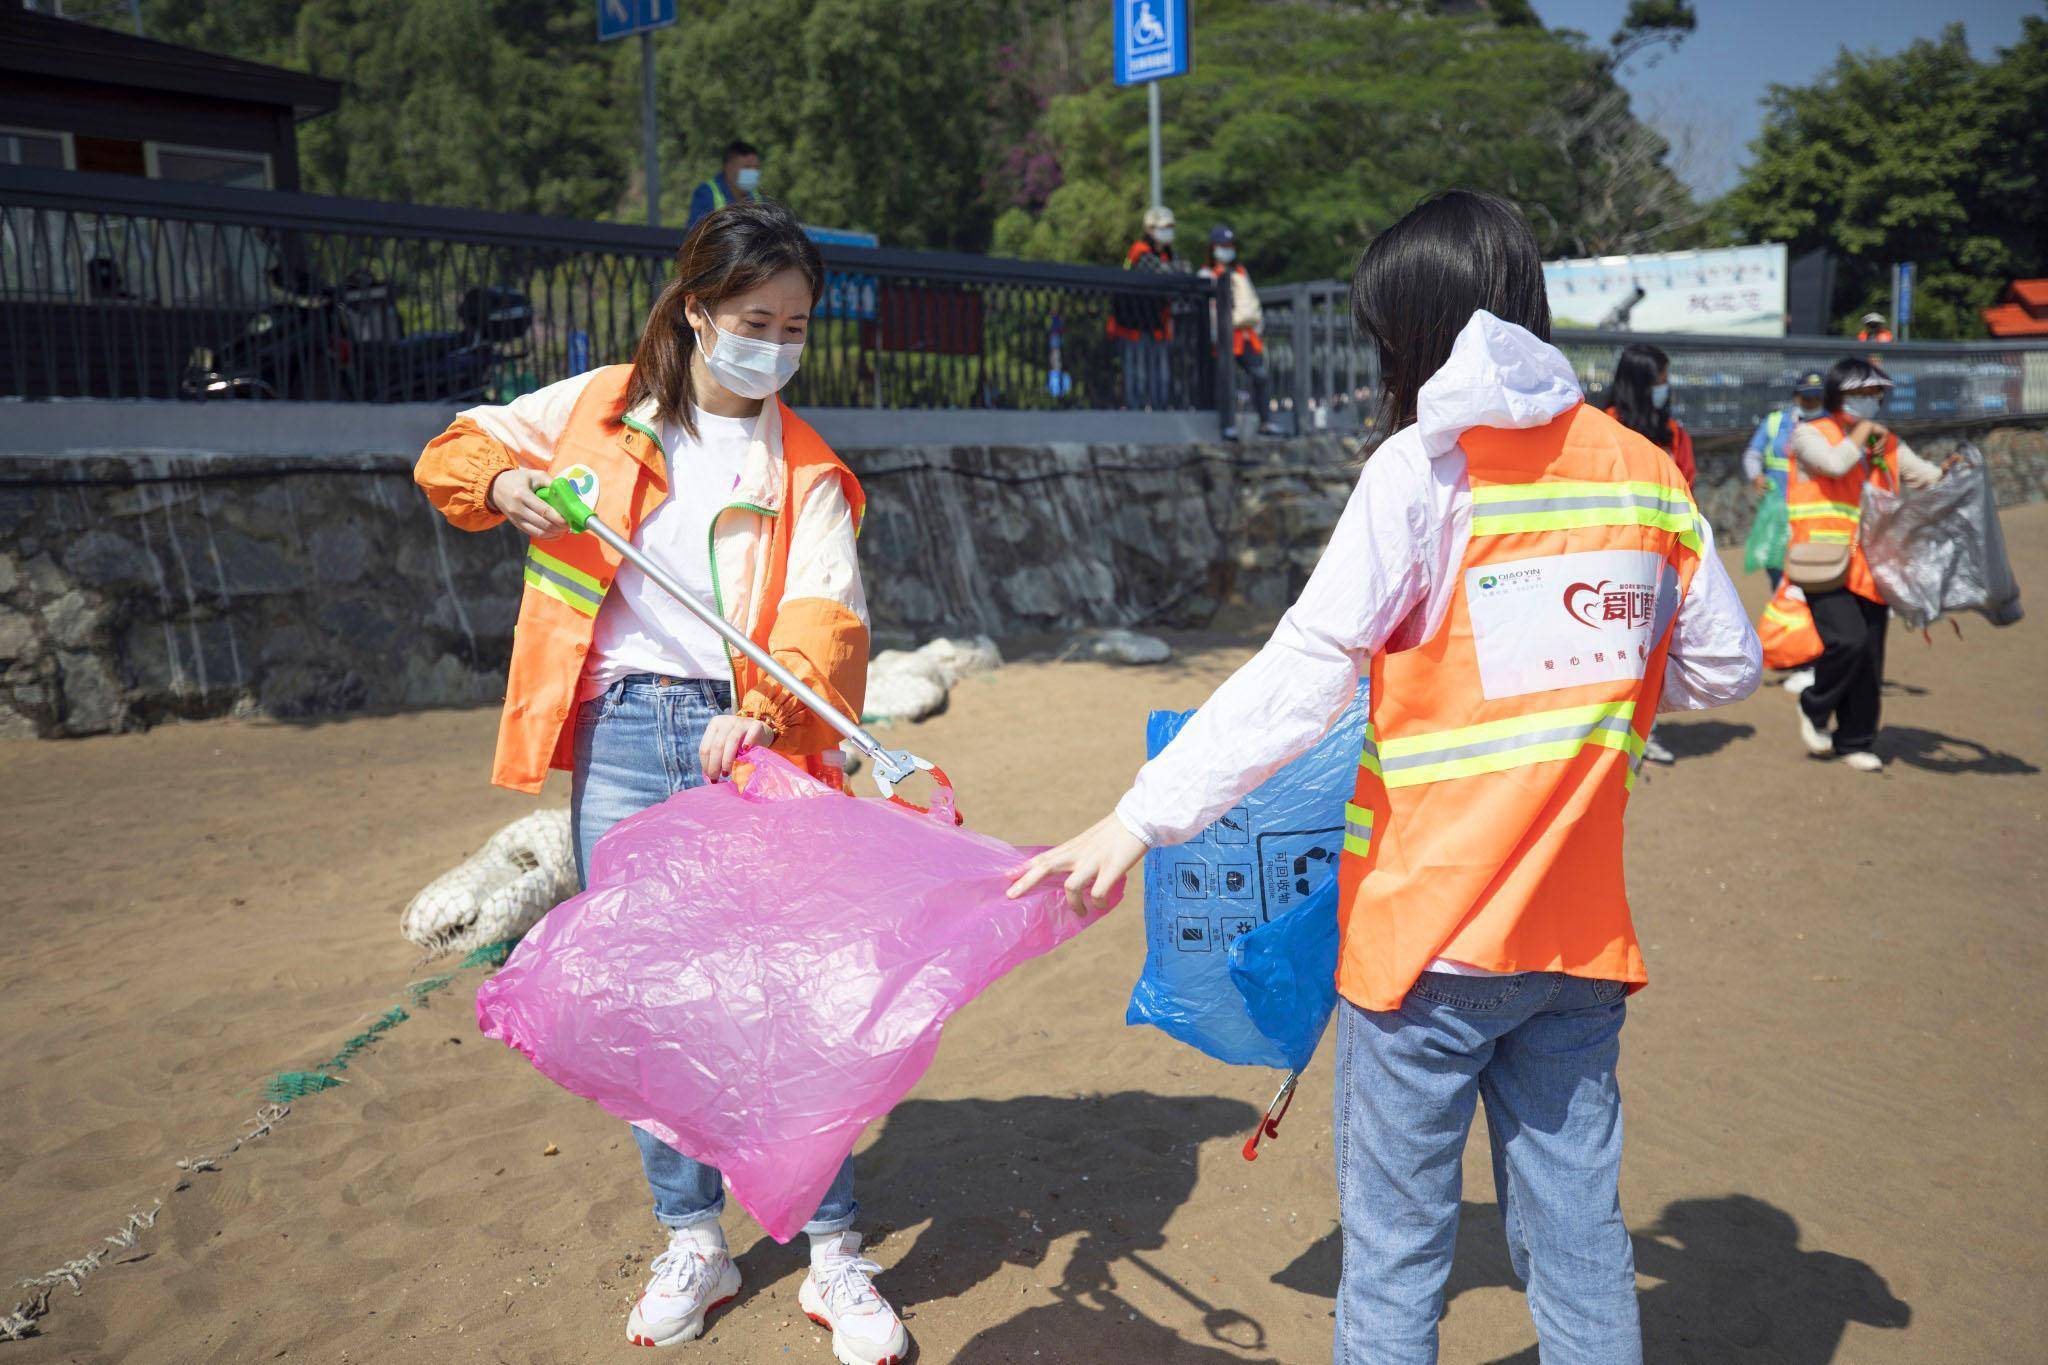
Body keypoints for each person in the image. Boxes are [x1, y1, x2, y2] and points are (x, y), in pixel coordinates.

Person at [1011, 189, 1760, 1365]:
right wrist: (1596, 669)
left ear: (1412, 332)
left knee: (1397, 1254)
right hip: (1574, 954)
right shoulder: (1640, 472)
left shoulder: (1423, 472)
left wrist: (1135, 821)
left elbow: (1303, 674)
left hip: (1422, 953)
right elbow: (1724, 666)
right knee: (1576, 1242)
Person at [414, 201, 910, 1365]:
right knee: (645, 998)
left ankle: (834, 1251)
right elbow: (454, 448)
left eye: (794, 325)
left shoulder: (806, 470)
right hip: (623, 736)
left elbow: (825, 621)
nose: (775, 344)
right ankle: (695, 1235)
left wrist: (765, 712)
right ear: (696, 310)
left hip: (748, 739)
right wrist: (502, 491)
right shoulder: (591, 407)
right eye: (754, 319)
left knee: (783, 994)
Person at [1786, 357, 1953, 773]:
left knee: (1870, 658)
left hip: (1876, 566)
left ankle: (1855, 739)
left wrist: (1953, 472)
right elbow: (1836, 463)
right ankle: (1814, 706)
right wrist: (1863, 433)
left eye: (1875, 393)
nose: (1870, 401)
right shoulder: (1810, 434)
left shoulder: (1886, 442)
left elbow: (1926, 477)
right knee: (1848, 641)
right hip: (1824, 563)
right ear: (1838, 394)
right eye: (1860, 393)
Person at [1605, 341, 1695, 763]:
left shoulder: (1673, 433)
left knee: (1654, 647)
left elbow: (1688, 488)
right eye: (1660, 379)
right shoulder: (1603, 427)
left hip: (1662, 559)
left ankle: (1645, 729)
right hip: (1610, 557)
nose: (1667, 386)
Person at [1744, 371, 1828, 693]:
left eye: (1817, 398)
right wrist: (1755, 476)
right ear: (1796, 397)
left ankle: (1810, 656)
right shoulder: (1775, 423)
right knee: (1780, 583)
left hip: (1812, 518)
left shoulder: (1829, 426)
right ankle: (1796, 651)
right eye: (1806, 397)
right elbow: (1753, 453)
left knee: (1805, 585)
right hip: (1777, 517)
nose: (1812, 403)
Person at [1199, 223, 1280, 438]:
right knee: (1226, 381)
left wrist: (1257, 326)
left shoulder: (1241, 272)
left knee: (1260, 376)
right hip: (1223, 336)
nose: (1227, 249)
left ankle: (1266, 421)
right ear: (1213, 248)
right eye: (1222, 245)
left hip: (1245, 335)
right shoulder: (1206, 273)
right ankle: (1227, 425)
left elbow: (1251, 302)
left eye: (1230, 245)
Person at [1109, 205, 1179, 411]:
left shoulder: (1167, 254)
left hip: (1155, 322)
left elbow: (1178, 271)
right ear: (1150, 229)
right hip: (1133, 323)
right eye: (1164, 227)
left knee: (1160, 373)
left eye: (1170, 227)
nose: (1168, 231)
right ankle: (1136, 412)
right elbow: (1164, 273)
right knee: (1137, 372)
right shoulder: (1139, 252)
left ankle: (1160, 410)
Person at [686, 139, 763, 231]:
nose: (753, 173)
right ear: (728, 167)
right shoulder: (706, 194)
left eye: (756, 168)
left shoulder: (759, 198)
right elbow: (695, 235)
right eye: (747, 167)